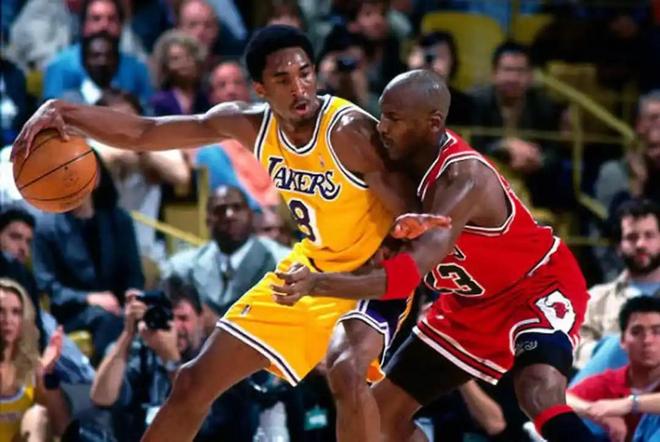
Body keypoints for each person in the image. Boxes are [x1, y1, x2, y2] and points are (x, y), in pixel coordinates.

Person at [13, 25, 430, 442]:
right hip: (309, 271)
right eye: (282, 79)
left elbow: (419, 215)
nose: (299, 88)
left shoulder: (348, 131)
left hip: (370, 276)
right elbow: (145, 132)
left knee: (348, 374)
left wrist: (409, 260)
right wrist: (65, 112)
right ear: (260, 89)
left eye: (305, 73)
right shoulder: (247, 124)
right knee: (192, 381)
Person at [272, 70, 595, 442]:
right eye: (382, 115)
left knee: (536, 391)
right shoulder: (393, 162)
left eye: (394, 118)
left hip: (534, 285)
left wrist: (319, 284)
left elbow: (408, 274)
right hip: (471, 302)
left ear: (433, 123)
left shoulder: (465, 178)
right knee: (382, 418)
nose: (383, 127)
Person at [90, 278, 257, 440]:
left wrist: (171, 360)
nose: (175, 327)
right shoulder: (144, 353)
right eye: (168, 317)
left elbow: (206, 427)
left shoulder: (217, 358)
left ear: (200, 319)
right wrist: (128, 333)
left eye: (183, 318)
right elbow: (102, 397)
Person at [575, 199, 660, 369]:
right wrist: (610, 351)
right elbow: (574, 345)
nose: (641, 244)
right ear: (618, 246)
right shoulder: (597, 299)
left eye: (649, 236)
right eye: (631, 237)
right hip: (612, 381)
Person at [567, 296, 660, 442]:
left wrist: (629, 404)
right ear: (622, 341)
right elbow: (559, 400)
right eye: (636, 332)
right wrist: (592, 411)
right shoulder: (612, 381)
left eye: (657, 332)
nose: (647, 340)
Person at [0, 278, 70, 441]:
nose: (8, 320)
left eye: (16, 312)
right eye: (0, 311)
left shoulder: (32, 367)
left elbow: (62, 428)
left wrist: (46, 374)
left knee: (37, 415)